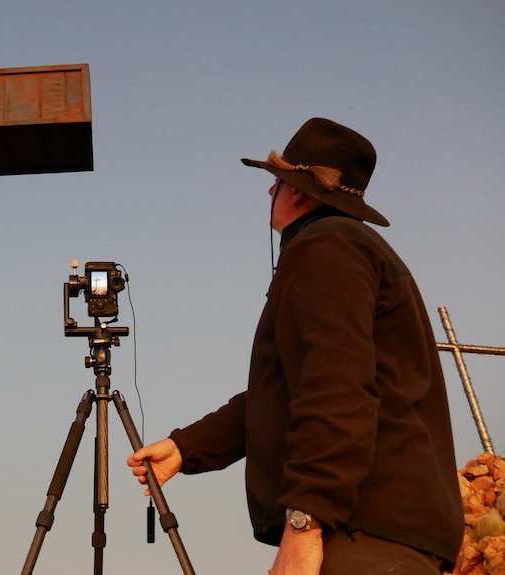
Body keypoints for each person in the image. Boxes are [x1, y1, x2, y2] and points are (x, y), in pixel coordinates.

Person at [128, 118, 464, 574]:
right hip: (380, 530)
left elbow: (335, 390)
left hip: (359, 532)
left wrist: (306, 522)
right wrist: (187, 447)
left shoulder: (326, 249)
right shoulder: (348, 249)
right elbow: (288, 389)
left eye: (277, 182)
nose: (270, 193)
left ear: (298, 191)